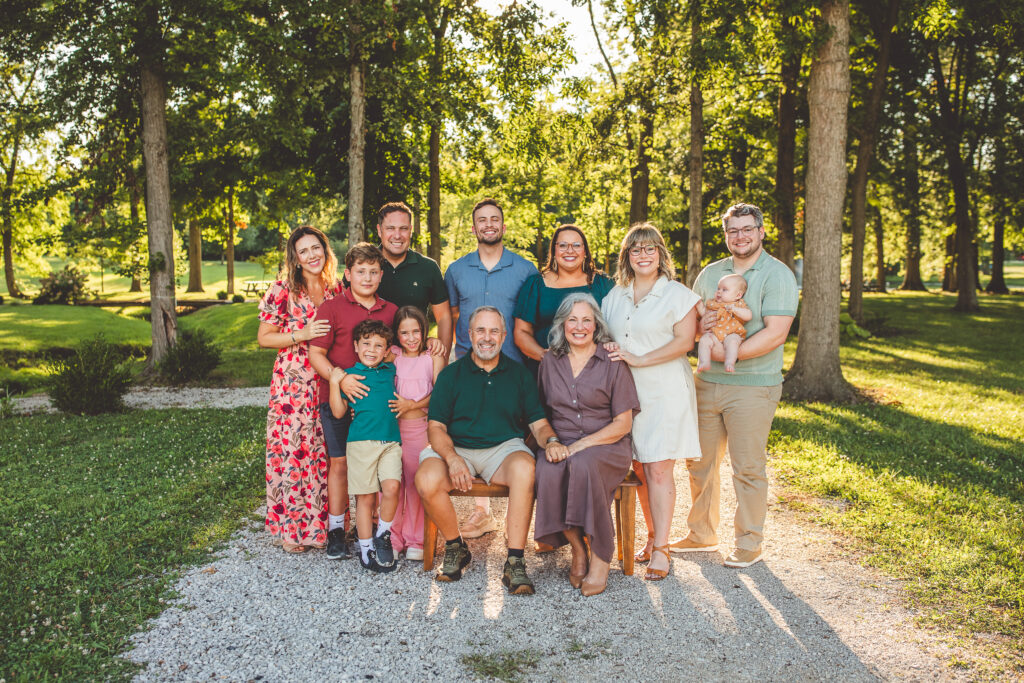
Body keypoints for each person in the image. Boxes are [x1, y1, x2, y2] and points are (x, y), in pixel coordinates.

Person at [414, 306, 569, 595]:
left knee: (526, 469)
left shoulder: (519, 375)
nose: (487, 337)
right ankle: (455, 546)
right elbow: (435, 428)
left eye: (494, 330)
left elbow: (538, 424)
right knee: (425, 479)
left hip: (503, 449)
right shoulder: (451, 375)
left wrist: (551, 441)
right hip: (455, 446)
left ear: (504, 335)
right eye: (481, 330)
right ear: (469, 334)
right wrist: (452, 458)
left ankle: (515, 560)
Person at [682, 203, 798, 569]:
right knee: (699, 463)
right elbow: (697, 322)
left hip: (753, 385)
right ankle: (702, 534)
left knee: (747, 467)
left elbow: (775, 333)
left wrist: (723, 355)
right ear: (726, 234)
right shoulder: (711, 274)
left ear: (762, 232)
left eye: (747, 229)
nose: (740, 236)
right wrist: (706, 347)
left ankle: (749, 542)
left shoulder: (777, 274)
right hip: (706, 382)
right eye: (733, 230)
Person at [601, 223, 701, 581]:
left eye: (649, 249)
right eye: (635, 250)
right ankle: (653, 536)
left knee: (658, 468)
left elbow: (685, 341)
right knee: (640, 468)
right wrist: (611, 347)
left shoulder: (678, 295)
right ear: (627, 256)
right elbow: (607, 338)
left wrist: (641, 359)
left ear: (661, 254)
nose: (643, 255)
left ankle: (662, 549)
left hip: (663, 391)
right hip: (626, 394)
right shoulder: (615, 295)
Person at [444, 198, 538, 539]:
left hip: (511, 368)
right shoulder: (456, 270)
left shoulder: (525, 269)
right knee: (471, 430)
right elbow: (452, 317)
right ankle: (481, 514)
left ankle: (527, 521)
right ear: (473, 227)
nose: (488, 224)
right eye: (481, 219)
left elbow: (530, 318)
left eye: (494, 219)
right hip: (468, 368)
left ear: (503, 225)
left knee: (511, 437)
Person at [534, 293, 640, 596]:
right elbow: (539, 413)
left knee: (582, 464)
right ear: (562, 324)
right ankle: (578, 549)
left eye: (586, 320)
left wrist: (580, 446)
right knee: (548, 470)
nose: (579, 327)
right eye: (572, 320)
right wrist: (552, 442)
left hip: (607, 443)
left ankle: (602, 559)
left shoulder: (612, 361)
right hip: (562, 442)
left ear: (596, 325)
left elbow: (623, 424)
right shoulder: (549, 361)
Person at [308, 243, 399, 561]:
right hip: (337, 396)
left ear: (381, 274)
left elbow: (399, 348)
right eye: (361, 271)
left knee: (375, 465)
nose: (367, 277)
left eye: (374, 271)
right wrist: (340, 377)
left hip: (374, 407)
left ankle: (373, 528)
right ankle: (336, 529)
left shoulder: (390, 310)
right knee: (340, 463)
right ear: (348, 274)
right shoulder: (331, 308)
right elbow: (315, 353)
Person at [256, 226, 342, 553]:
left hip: (327, 378)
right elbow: (264, 337)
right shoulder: (283, 289)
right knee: (294, 452)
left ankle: (321, 528)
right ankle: (293, 529)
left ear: (325, 249)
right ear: (295, 257)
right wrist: (301, 333)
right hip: (293, 384)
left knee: (323, 453)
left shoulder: (336, 289)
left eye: (316, 248)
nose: (311, 255)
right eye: (303, 251)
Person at [328, 319, 402, 573]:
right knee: (366, 498)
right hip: (360, 444)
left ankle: (383, 534)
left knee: (392, 487)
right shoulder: (350, 376)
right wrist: (334, 383)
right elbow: (338, 412)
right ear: (356, 346)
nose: (372, 349)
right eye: (366, 344)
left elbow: (410, 353)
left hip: (391, 442)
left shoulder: (391, 369)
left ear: (386, 350)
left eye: (378, 345)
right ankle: (366, 549)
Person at [386, 306, 446, 562]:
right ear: (396, 335)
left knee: (414, 483)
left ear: (424, 331)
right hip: (392, 429)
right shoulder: (393, 356)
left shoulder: (432, 357)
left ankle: (416, 538)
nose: (411, 338)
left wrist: (412, 405)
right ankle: (391, 537)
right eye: (404, 333)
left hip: (419, 429)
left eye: (416, 332)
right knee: (391, 484)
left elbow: (440, 395)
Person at [514, 224, 615, 371]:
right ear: (554, 251)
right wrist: (545, 357)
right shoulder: (535, 285)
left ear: (585, 251)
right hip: (546, 370)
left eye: (576, 245)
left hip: (595, 371)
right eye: (563, 245)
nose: (570, 250)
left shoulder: (603, 284)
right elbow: (521, 332)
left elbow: (617, 326)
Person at [375, 201, 453, 356]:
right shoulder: (364, 266)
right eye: (390, 228)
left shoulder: (428, 268)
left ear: (410, 230)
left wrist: (442, 364)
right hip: (371, 361)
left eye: (403, 228)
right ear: (379, 230)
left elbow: (444, 317)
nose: (397, 235)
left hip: (415, 360)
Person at [696, 273, 752, 373]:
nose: (719, 292)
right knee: (704, 339)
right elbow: (705, 314)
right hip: (715, 334)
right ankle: (704, 362)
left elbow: (748, 316)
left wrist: (735, 310)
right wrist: (699, 305)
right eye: (718, 288)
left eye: (724, 290)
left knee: (733, 342)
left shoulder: (738, 304)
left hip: (732, 333)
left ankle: (729, 362)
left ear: (738, 295)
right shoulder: (713, 303)